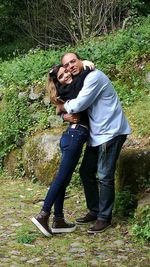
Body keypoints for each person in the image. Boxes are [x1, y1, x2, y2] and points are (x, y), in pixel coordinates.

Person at [57, 52, 131, 234]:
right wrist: (63, 114)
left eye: (73, 61)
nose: (70, 66)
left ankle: (104, 217)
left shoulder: (94, 78)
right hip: (97, 133)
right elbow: (67, 95)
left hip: (111, 132)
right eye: (66, 65)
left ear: (80, 60)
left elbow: (77, 105)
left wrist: (61, 107)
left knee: (104, 175)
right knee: (86, 171)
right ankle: (95, 209)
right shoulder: (81, 79)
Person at [31, 63, 93, 237]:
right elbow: (82, 77)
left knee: (63, 178)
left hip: (71, 136)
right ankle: (43, 214)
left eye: (66, 71)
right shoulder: (70, 87)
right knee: (61, 178)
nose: (66, 74)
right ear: (58, 82)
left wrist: (62, 113)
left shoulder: (66, 91)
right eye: (61, 76)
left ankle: (58, 220)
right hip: (76, 135)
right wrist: (87, 66)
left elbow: (61, 107)